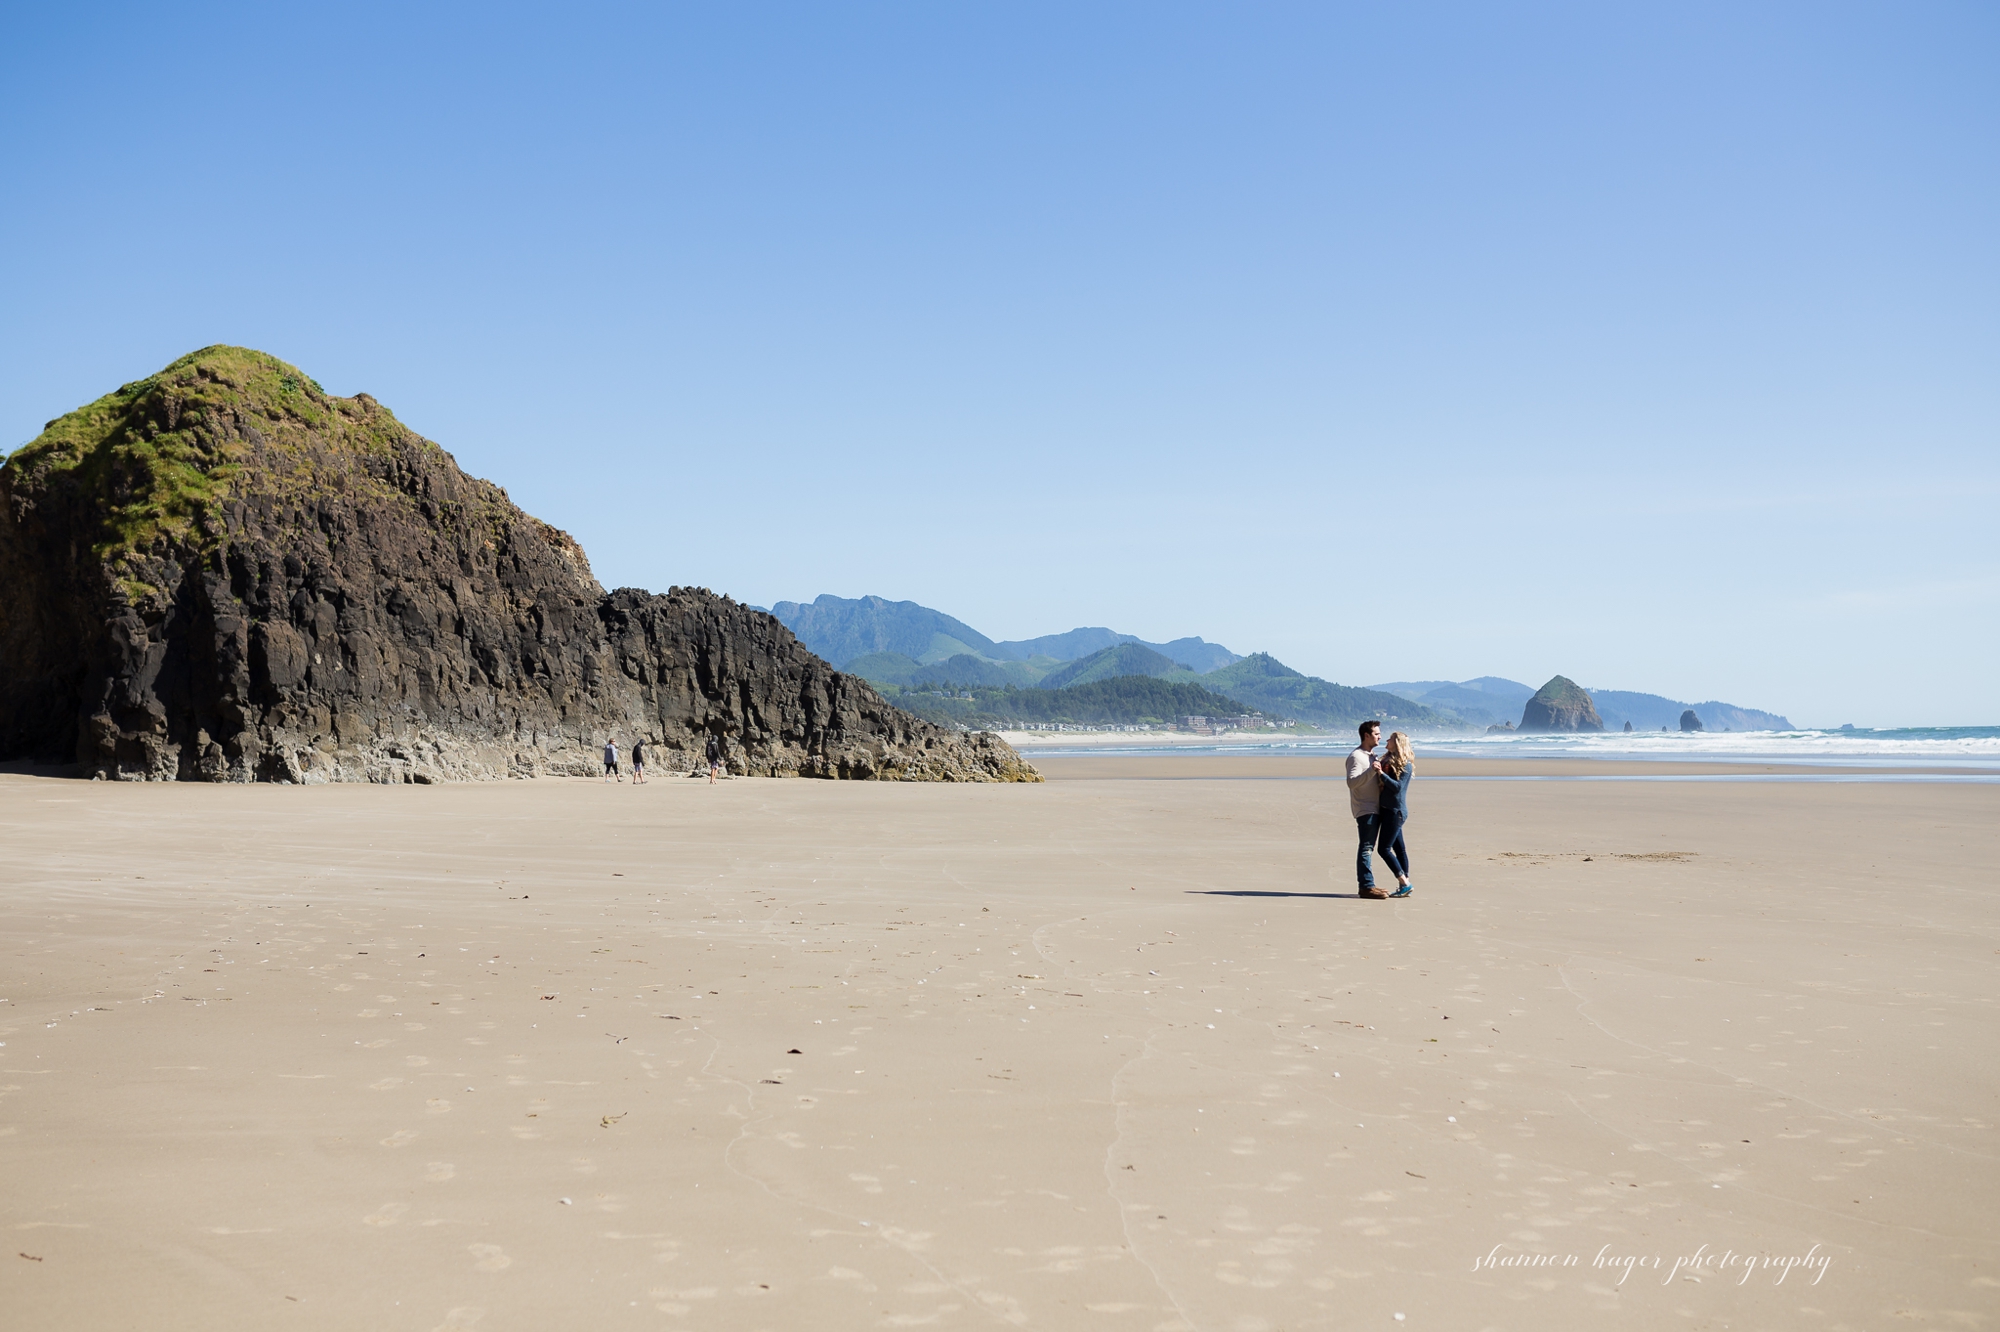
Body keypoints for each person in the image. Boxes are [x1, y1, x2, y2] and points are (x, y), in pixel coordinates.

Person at [1345, 721, 1387, 898]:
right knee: (1366, 847)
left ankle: (1369, 884)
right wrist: (1371, 771)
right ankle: (1366, 886)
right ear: (1367, 735)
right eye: (1376, 734)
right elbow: (1351, 782)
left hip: (1376, 808)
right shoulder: (1356, 757)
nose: (1380, 736)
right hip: (1365, 808)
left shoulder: (1372, 756)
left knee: (1370, 847)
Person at [1374, 731, 1415, 897]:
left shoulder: (1406, 765)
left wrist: (1381, 774)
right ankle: (1404, 885)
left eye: (1390, 739)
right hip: (1386, 810)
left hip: (1395, 812)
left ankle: (1405, 882)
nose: (1386, 740)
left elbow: (1397, 787)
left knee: (1383, 849)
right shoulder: (1386, 760)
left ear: (1397, 743)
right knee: (1400, 849)